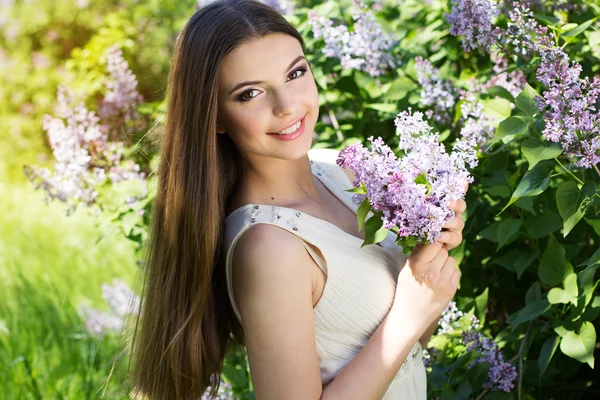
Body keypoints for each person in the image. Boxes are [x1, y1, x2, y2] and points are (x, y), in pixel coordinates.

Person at [130, 1, 466, 399]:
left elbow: (401, 359)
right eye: (250, 93)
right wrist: (409, 317)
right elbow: (401, 331)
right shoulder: (268, 247)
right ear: (215, 117)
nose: (288, 106)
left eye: (295, 73)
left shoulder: (343, 173)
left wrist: (428, 266)